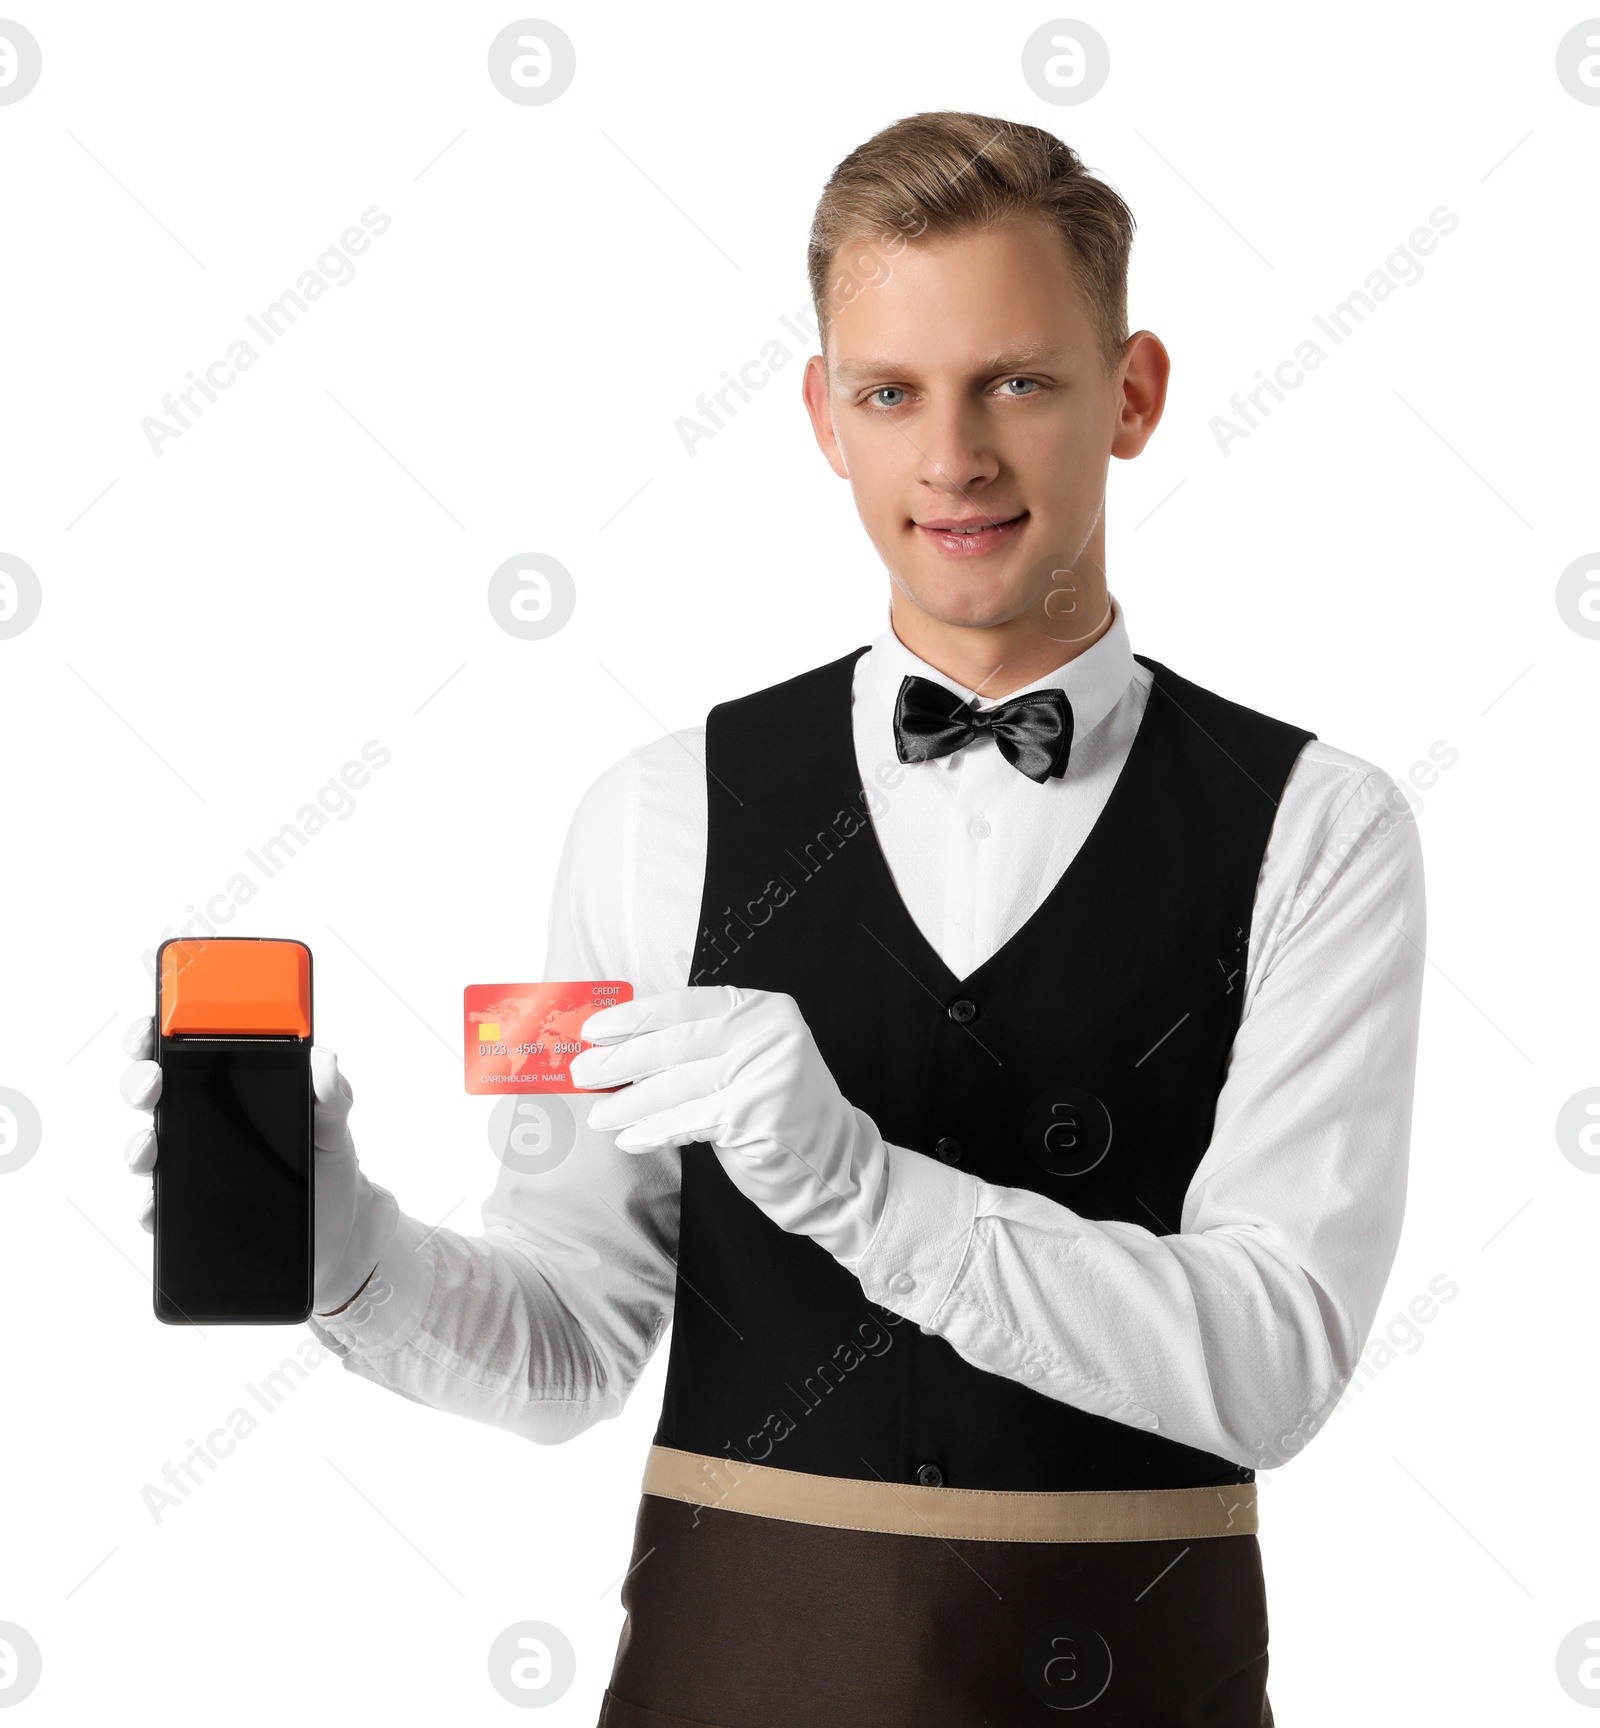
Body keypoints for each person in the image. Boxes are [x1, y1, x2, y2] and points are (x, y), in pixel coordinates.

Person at [120, 111, 1426, 1726]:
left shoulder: (1320, 826)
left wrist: (867, 1192)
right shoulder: (652, 816)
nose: (952, 457)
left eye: (1016, 381)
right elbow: (566, 1337)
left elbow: (1278, 1355)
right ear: (823, 414)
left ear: (1134, 393)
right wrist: (340, 1248)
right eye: (891, 393)